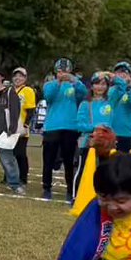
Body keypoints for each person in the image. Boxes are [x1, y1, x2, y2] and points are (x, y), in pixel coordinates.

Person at [41, 58, 88, 202]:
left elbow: (84, 94)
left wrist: (74, 81)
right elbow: (48, 97)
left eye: (66, 71)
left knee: (69, 160)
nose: (63, 73)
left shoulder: (75, 86)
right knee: (48, 160)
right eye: (60, 71)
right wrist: (58, 82)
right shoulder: (50, 84)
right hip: (52, 126)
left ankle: (70, 189)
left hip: (70, 126)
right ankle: (47, 188)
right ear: (56, 72)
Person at [75, 71, 114, 187]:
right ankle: (75, 195)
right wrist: (95, 127)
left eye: (103, 84)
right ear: (92, 86)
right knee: (83, 170)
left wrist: (110, 75)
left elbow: (121, 87)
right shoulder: (85, 104)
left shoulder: (110, 102)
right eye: (97, 84)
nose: (100, 87)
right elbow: (79, 125)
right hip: (88, 143)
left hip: (106, 144)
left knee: (103, 172)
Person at [107, 61, 131, 154]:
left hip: (125, 135)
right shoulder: (111, 90)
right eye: (118, 72)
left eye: (125, 72)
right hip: (109, 133)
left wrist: (128, 87)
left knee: (123, 165)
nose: (122, 74)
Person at [11, 68, 35, 187]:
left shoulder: (28, 90)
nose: (17, 78)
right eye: (16, 76)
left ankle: (23, 178)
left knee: (20, 153)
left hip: (21, 127)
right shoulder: (9, 90)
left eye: (21, 76)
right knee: (9, 153)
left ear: (25, 78)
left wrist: (26, 124)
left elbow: (31, 109)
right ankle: (9, 176)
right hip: (9, 127)